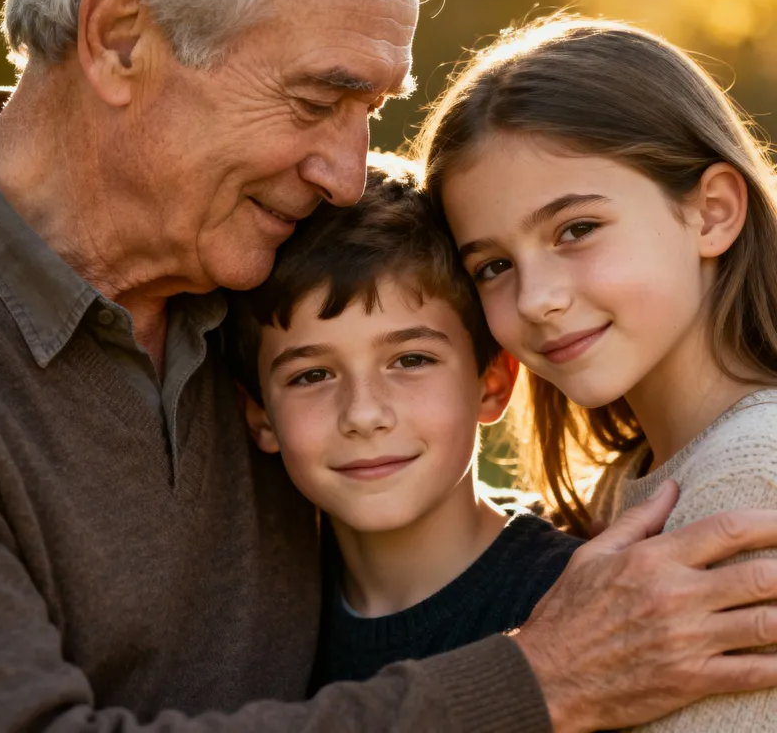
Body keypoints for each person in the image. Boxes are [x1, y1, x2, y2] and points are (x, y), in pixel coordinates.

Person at [0, 0, 777, 729]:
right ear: (121, 35)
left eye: (371, 112)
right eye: (316, 101)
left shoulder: (253, 263)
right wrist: (540, 680)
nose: (347, 178)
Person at [417, 15, 777, 730]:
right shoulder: (633, 482)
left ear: (712, 213)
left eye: (576, 230)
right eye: (493, 266)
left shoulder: (750, 478)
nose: (536, 298)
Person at [229, 156, 583, 688]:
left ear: (492, 384)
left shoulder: (573, 597)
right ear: (260, 415)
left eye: (411, 360)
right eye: (312, 375)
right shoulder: (262, 620)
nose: (364, 414)